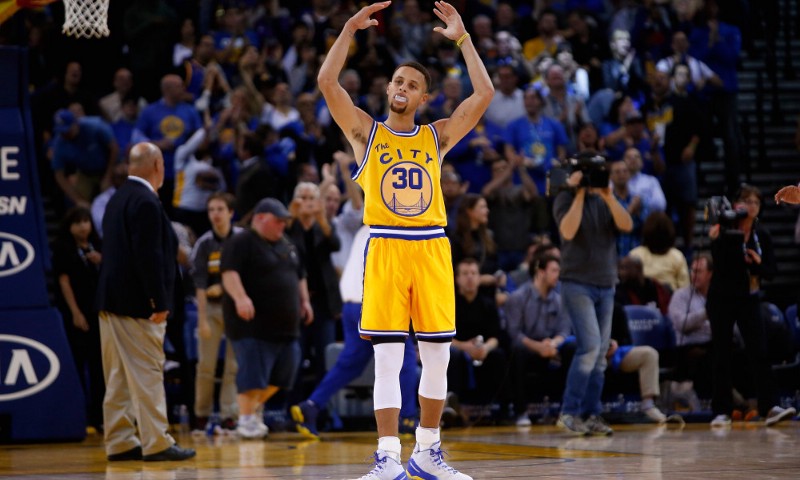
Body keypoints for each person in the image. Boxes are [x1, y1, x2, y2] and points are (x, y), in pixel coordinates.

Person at [317, 1, 494, 478]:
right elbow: (328, 83)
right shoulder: (366, 134)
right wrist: (349, 30)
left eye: (412, 85)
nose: (402, 87)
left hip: (432, 246)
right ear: (388, 88)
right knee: (388, 360)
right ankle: (387, 457)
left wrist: (463, 40)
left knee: (437, 358)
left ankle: (428, 452)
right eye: (398, 81)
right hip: (385, 246)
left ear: (423, 98)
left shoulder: (437, 137)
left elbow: (484, 93)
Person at [95, 142, 195, 461]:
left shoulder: (116, 199)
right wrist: (158, 300)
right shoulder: (146, 201)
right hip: (137, 305)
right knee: (148, 371)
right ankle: (158, 442)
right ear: (157, 165)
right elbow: (148, 256)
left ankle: (120, 440)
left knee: (118, 376)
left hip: (110, 302)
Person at [291, 225, 420, 439]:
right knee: (405, 357)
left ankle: (311, 406)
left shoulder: (366, 227)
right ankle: (406, 419)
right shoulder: (391, 229)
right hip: (372, 302)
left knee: (351, 363)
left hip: (352, 304)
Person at [553, 151, 633, 436]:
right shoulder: (564, 197)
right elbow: (568, 231)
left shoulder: (605, 199)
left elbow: (627, 225)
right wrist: (578, 193)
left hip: (606, 283)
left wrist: (609, 196)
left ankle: (591, 414)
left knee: (600, 353)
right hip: (577, 282)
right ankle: (569, 412)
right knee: (589, 348)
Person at [220, 197, 313, 439]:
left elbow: (299, 274)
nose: (282, 225)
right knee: (252, 375)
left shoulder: (286, 244)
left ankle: (248, 412)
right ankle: (246, 419)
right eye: (277, 220)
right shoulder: (241, 241)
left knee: (285, 375)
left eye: (284, 221)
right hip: (252, 325)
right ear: (259, 218)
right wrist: (241, 298)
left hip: (286, 327)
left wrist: (304, 301)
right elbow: (229, 273)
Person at [706, 185, 794, 427]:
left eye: (755, 202)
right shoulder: (723, 230)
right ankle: (721, 410)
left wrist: (756, 264)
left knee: (759, 351)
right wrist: (717, 239)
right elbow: (720, 266)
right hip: (722, 297)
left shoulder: (761, 234)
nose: (750, 206)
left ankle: (770, 406)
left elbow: (771, 271)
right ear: (735, 205)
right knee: (721, 352)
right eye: (746, 201)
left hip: (749, 297)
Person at [189, 193, 241, 435]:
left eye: (220, 209)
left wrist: (224, 287)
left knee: (233, 366)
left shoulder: (242, 240)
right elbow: (199, 285)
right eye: (211, 210)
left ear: (231, 212)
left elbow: (248, 274)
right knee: (206, 366)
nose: (215, 214)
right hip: (210, 308)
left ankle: (230, 415)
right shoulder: (204, 243)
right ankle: (201, 414)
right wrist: (202, 320)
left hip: (237, 307)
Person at [503, 254, 574, 426]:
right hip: (527, 347)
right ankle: (521, 412)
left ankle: (567, 410)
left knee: (571, 347)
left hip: (550, 347)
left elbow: (564, 330)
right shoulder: (518, 297)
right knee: (516, 349)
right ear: (541, 272)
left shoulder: (559, 300)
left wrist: (553, 343)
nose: (558, 275)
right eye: (554, 271)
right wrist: (538, 347)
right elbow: (514, 333)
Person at [52, 207, 104, 432]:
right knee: (78, 362)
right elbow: (63, 282)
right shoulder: (63, 248)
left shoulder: (98, 246)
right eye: (78, 222)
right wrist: (75, 312)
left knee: (99, 365)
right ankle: (80, 414)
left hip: (97, 312)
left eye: (86, 221)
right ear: (70, 226)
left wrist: (101, 261)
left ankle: (99, 416)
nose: (83, 226)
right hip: (76, 312)